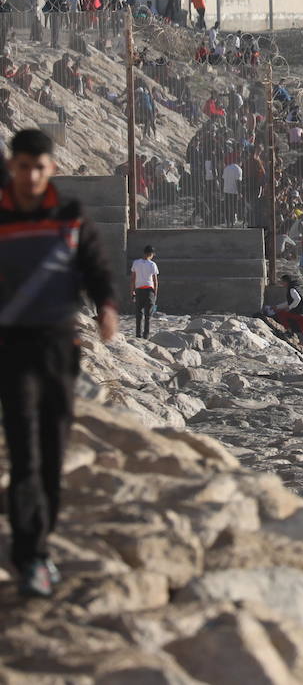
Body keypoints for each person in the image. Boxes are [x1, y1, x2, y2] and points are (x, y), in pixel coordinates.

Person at [0, 129, 117, 597]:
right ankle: (29, 553)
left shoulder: (69, 216)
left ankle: (40, 539)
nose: (30, 175)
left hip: (57, 347)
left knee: (52, 447)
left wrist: (106, 306)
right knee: (25, 449)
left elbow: (95, 268)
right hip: (10, 348)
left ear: (51, 168)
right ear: (13, 167)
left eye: (38, 166)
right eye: (22, 166)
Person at [129, 244, 159, 339]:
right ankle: (146, 335)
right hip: (149, 290)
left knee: (138, 314)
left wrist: (132, 291)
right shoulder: (152, 264)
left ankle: (138, 334)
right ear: (151, 254)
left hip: (139, 290)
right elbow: (155, 281)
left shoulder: (136, 263)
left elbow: (133, 279)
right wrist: (155, 293)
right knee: (148, 315)